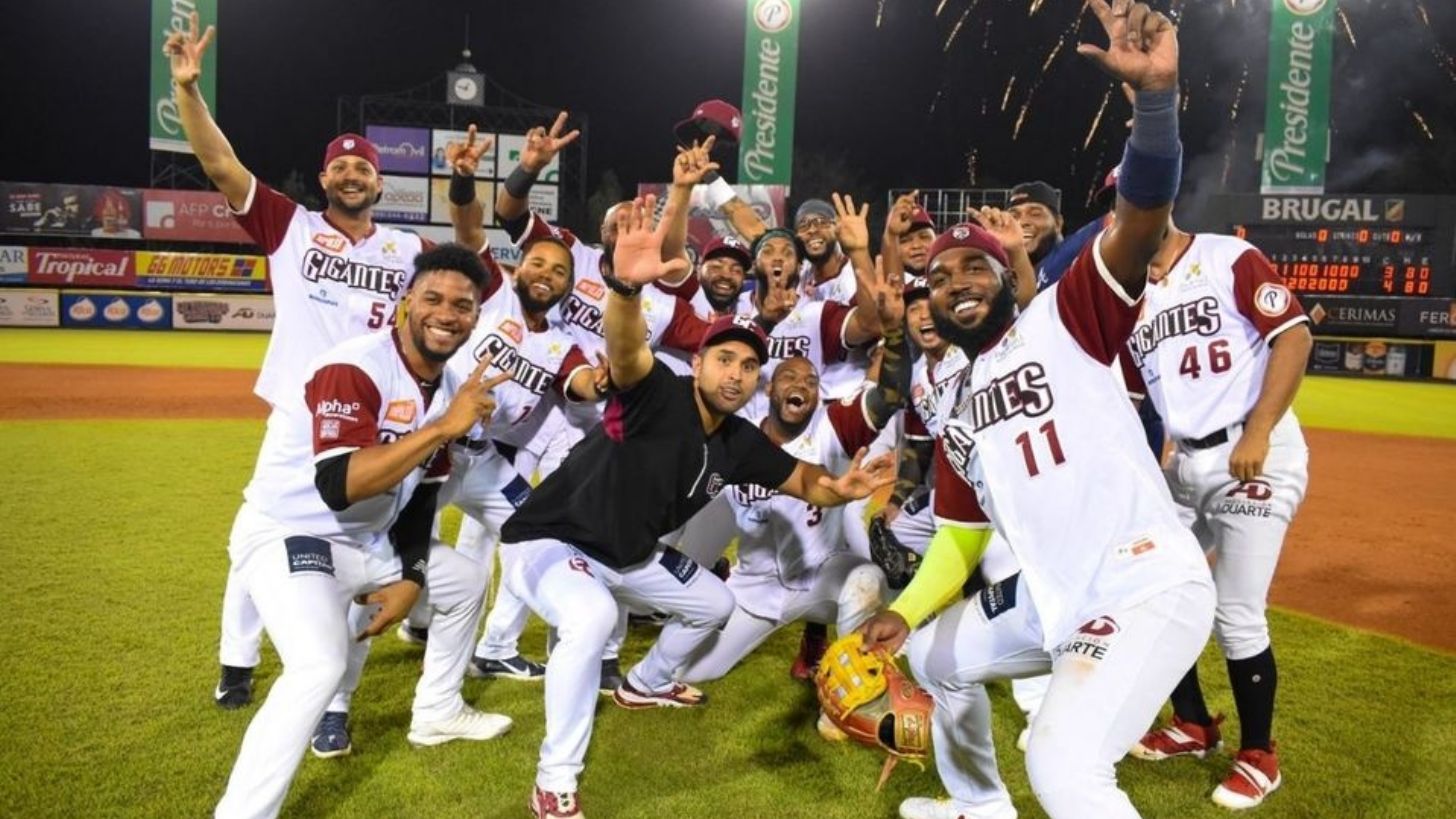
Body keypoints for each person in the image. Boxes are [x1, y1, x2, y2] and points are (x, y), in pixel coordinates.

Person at [857, 5, 1217, 818]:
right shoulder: (955, 405)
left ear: (1005, 275)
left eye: (972, 267)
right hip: (1054, 592)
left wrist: (1157, 101)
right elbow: (959, 538)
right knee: (937, 657)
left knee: (1063, 766)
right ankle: (980, 805)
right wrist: (903, 612)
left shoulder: (1066, 314)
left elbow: (1141, 216)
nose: (955, 282)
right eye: (938, 277)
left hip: (1139, 581)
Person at [497, 197, 894, 819]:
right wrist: (626, 289)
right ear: (700, 362)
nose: (736, 374)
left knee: (714, 603)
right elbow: (625, 350)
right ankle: (555, 778)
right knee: (590, 619)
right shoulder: (658, 391)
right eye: (724, 359)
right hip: (551, 540)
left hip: (629, 556)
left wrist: (838, 489)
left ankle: (645, 683)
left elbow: (803, 478)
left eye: (749, 365)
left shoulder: (739, 440)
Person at [164, 14, 494, 715]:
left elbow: (470, 257)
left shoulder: (407, 251)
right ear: (324, 178)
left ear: (379, 181)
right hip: (297, 413)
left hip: (377, 415)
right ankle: (237, 657)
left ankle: (338, 694)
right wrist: (188, 91)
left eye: (363, 166)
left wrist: (464, 186)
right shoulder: (292, 226)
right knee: (263, 530)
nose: (351, 173)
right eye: (340, 165)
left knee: (358, 544)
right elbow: (221, 165)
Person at [214, 243, 514, 819]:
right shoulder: (356, 367)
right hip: (292, 534)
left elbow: (423, 494)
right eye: (433, 298)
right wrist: (442, 428)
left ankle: (437, 711)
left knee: (465, 580)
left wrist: (411, 577)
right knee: (318, 665)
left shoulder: (450, 386)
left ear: (476, 316)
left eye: (463, 305)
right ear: (406, 303)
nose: (446, 314)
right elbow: (339, 485)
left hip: (368, 541)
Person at [1122, 217, 1312, 810]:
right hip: (1186, 462)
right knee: (1156, 588)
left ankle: (1259, 756)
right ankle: (1193, 724)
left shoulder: (1227, 257)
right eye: (1117, 207)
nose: (1128, 217)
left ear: (1163, 205)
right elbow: (1131, 398)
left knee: (1236, 612)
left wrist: (1258, 431)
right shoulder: (1133, 297)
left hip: (1253, 452)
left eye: (1139, 203)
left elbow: (1294, 337)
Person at [674, 257, 909, 686]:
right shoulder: (739, 436)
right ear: (769, 388)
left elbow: (890, 395)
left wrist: (894, 334)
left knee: (866, 579)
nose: (800, 385)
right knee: (685, 671)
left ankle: (852, 688)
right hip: (754, 587)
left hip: (820, 578)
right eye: (789, 378)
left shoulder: (834, 426)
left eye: (811, 382)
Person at [1006, 179, 1064, 270]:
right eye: (1014, 216)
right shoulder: (996, 272)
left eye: (1035, 214)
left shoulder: (1076, 270)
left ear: (1058, 223)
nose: (1022, 222)